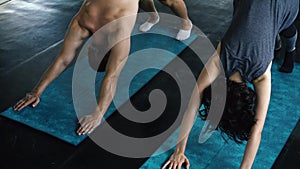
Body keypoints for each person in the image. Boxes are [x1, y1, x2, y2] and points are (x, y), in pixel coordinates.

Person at [162, 0, 299, 168]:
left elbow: (257, 131)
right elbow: (194, 99)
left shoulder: (261, 75)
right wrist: (179, 149)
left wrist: (180, 151)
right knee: (272, 24)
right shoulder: (221, 58)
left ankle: (289, 50)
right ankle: (276, 40)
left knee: (286, 26)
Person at [13, 0, 140, 136]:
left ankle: (153, 15)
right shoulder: (119, 36)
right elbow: (111, 75)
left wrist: (36, 92)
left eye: (91, 49)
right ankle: (153, 16)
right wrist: (98, 114)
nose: (89, 47)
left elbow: (63, 60)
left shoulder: (85, 23)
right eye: (92, 50)